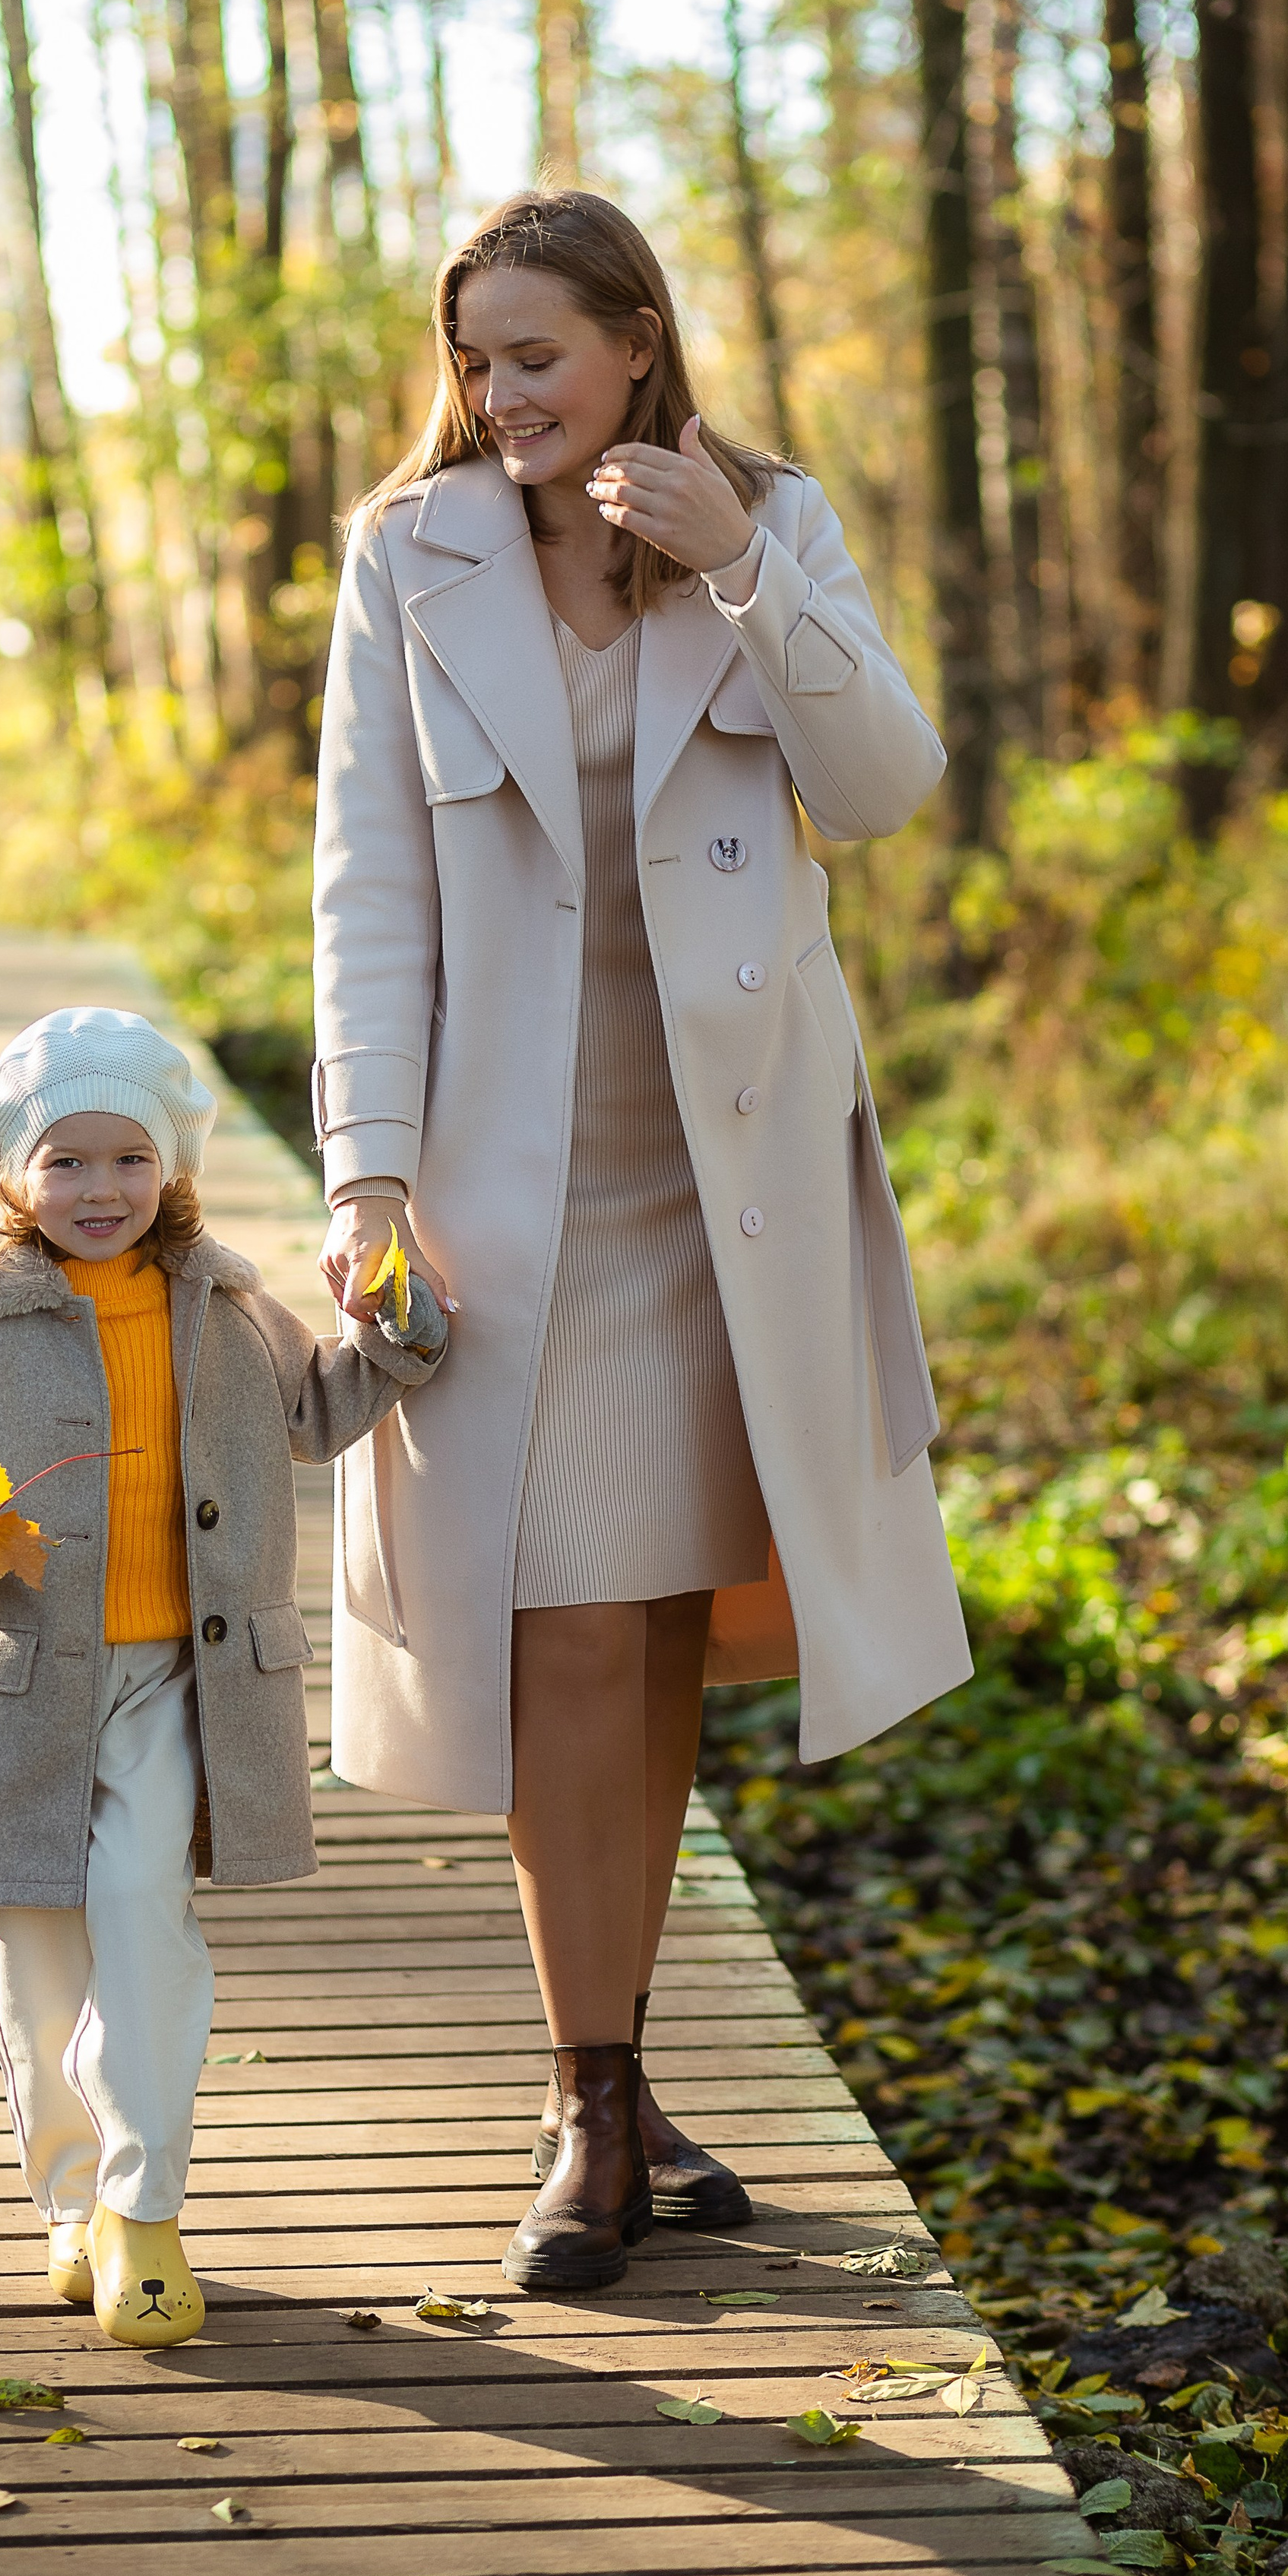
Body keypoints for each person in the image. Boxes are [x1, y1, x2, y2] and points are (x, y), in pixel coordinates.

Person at [311, 189, 970, 2293]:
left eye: (532, 356)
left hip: (733, 1176)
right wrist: (368, 1172)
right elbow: (367, 889)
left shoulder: (768, 522)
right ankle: (590, 2101)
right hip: (518, 1184)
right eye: (472, 359)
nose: (494, 396)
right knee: (569, 1629)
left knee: (666, 1629)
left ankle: (614, 2059)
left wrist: (743, 571)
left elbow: (879, 783)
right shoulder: (404, 557)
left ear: (635, 346)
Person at [0, 1006, 445, 2346]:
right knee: (38, 1966)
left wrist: (400, 1319)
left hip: (176, 1677)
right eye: (65, 1163)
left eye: (129, 1160)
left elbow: (322, 1408)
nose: (100, 1191)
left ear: (173, 1168)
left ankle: (143, 2205)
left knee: (146, 1927)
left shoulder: (227, 1306)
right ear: (14, 1175)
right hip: (14, 1687)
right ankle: (69, 2203)